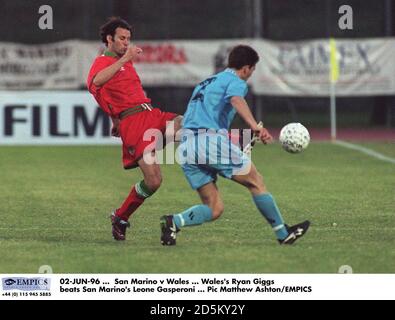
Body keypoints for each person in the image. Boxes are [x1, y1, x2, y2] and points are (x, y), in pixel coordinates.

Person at [160, 45, 310, 246]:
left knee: (214, 208)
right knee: (256, 181)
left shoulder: (205, 82)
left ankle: (174, 221)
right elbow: (236, 100)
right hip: (209, 142)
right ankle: (283, 234)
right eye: (253, 69)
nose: (251, 74)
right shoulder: (235, 81)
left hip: (187, 147)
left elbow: (196, 117)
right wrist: (255, 126)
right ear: (246, 68)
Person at [87, 17, 182, 241]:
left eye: (128, 39)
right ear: (109, 39)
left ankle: (233, 143)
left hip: (150, 114)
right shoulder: (103, 62)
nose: (126, 43)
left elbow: (110, 96)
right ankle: (120, 216)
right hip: (134, 125)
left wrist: (113, 120)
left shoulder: (125, 62)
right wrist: (119, 120)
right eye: (122, 38)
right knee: (153, 181)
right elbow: (96, 83)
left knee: (183, 122)